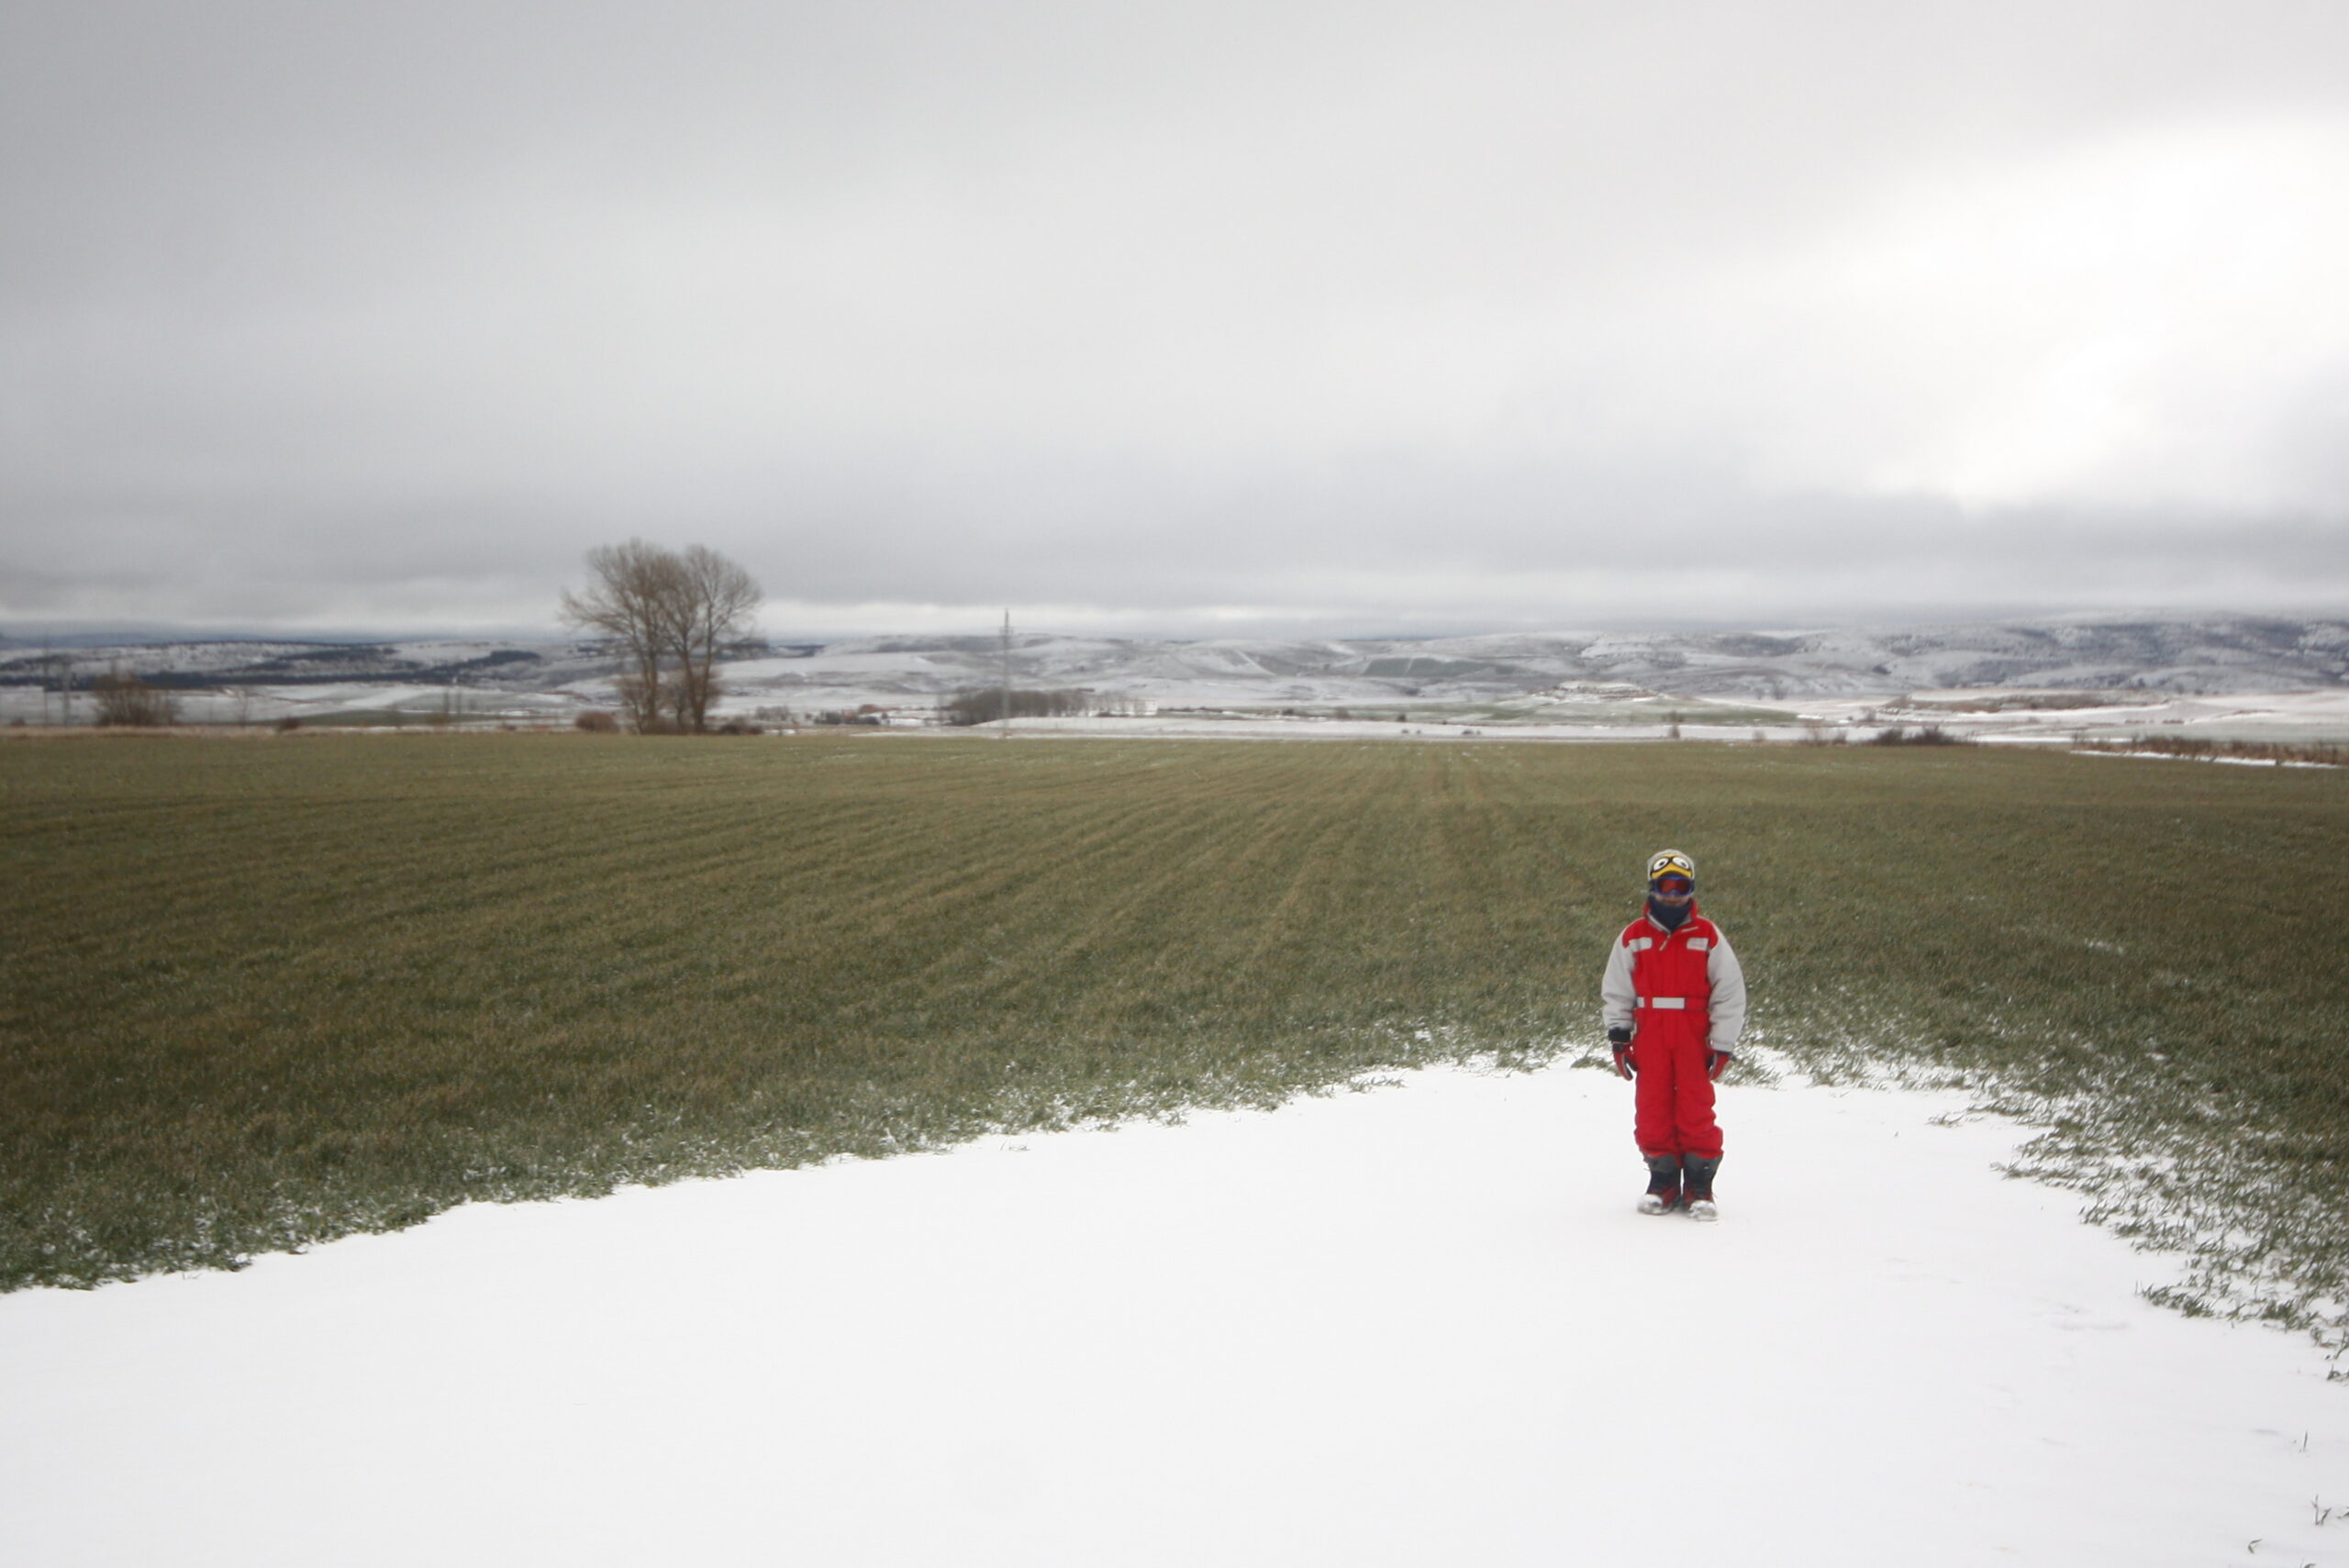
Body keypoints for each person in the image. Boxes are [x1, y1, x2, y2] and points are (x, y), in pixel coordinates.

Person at [1602, 850, 1746, 1220]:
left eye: (1681, 886)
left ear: (1691, 889)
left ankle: (1700, 1186)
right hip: (1650, 1035)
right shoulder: (1634, 937)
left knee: (1696, 1109)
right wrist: (1620, 1036)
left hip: (1693, 1035)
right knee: (1652, 1109)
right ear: (1652, 888)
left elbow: (1729, 992)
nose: (1672, 895)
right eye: (1664, 886)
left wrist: (1723, 1044)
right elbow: (1618, 989)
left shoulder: (1707, 936)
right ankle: (1662, 1181)